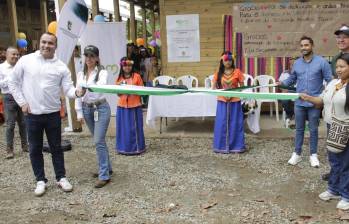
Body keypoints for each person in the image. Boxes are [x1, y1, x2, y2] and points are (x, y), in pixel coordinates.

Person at [8, 32, 85, 196]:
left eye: (50, 43)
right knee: (35, 148)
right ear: (39, 43)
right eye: (44, 42)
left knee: (56, 147)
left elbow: (69, 89)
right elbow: (12, 82)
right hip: (32, 115)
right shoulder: (26, 60)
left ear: (55, 46)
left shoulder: (61, 66)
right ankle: (40, 180)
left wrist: (78, 93)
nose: (46, 46)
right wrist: (22, 102)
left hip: (52, 115)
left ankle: (61, 177)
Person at [300, 53, 349, 210]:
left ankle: (346, 195)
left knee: (345, 162)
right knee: (334, 160)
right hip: (331, 126)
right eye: (337, 66)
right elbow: (321, 100)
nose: (338, 69)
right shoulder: (333, 83)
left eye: (342, 66)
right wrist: (308, 98)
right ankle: (334, 189)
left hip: (345, 127)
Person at [280, 36, 332, 167]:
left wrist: (323, 96)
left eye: (306, 45)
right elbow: (292, 79)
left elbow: (330, 81)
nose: (304, 48)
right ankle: (297, 154)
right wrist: (281, 83)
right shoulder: (297, 63)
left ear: (312, 46)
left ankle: (313, 155)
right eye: (302, 45)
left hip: (314, 102)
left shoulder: (322, 62)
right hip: (299, 103)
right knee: (299, 129)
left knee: (313, 129)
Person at [75, 45, 112, 188]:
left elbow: (99, 88)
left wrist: (83, 87)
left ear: (97, 58)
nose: (88, 59)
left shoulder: (102, 72)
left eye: (92, 56)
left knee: (98, 141)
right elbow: (78, 95)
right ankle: (107, 168)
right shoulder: (80, 74)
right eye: (86, 55)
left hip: (101, 108)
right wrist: (79, 112)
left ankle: (104, 175)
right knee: (99, 140)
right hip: (87, 109)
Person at [322, 25, 349, 181]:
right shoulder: (336, 57)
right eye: (338, 37)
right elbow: (335, 81)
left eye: (344, 37)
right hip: (335, 111)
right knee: (335, 147)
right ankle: (336, 176)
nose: (341, 40)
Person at [211, 51, 245, 153]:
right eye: (226, 60)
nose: (228, 62)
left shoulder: (237, 72)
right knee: (221, 123)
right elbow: (213, 88)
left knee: (235, 123)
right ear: (222, 60)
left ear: (232, 60)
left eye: (230, 59)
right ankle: (220, 147)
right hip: (222, 102)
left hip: (235, 101)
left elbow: (242, 87)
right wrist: (223, 93)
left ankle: (236, 146)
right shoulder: (218, 73)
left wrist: (233, 93)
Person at [0, 46, 28, 159]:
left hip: (21, 97)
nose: (16, 56)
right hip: (9, 97)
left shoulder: (20, 67)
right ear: (7, 55)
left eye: (17, 54)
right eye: (13, 54)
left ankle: (25, 146)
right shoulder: (1, 68)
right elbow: (1, 85)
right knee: (10, 125)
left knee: (23, 123)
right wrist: (11, 77)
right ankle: (9, 149)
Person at [115, 57, 145, 155]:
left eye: (129, 65)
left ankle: (137, 149)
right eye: (125, 65)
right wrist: (121, 90)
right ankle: (123, 148)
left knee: (134, 128)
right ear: (122, 66)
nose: (127, 67)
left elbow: (142, 91)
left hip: (135, 106)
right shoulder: (119, 78)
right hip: (122, 107)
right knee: (123, 128)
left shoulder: (137, 76)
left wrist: (134, 90)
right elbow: (118, 94)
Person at [278, 57, 296, 128]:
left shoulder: (301, 73)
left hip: (298, 92)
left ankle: (292, 116)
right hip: (287, 92)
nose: (292, 67)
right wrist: (283, 89)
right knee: (284, 100)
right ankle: (290, 114)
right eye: (291, 65)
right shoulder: (284, 73)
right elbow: (280, 84)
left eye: (294, 65)